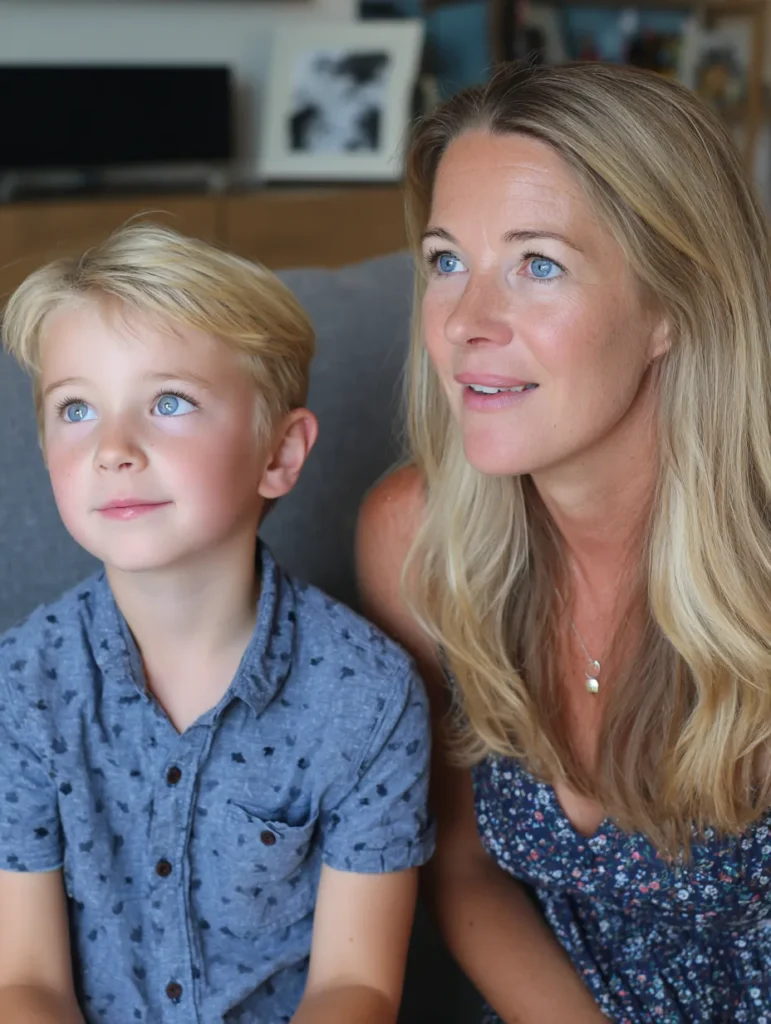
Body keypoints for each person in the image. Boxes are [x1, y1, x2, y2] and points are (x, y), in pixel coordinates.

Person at [356, 59, 771, 1024]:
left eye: (537, 264)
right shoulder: (417, 544)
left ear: (672, 305)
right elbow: (462, 871)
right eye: (445, 260)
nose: (465, 322)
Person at [0, 223, 434, 1024]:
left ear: (280, 452)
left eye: (168, 402)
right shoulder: (21, 686)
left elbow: (356, 986)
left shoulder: (367, 695)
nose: (114, 448)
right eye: (76, 409)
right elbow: (24, 980)